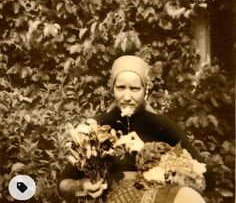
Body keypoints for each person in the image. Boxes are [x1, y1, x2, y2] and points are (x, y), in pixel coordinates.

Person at [58, 55, 214, 203]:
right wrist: (81, 185)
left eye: (134, 89)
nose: (127, 96)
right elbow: (63, 183)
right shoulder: (96, 126)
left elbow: (208, 178)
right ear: (112, 89)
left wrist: (148, 153)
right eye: (121, 88)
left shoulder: (162, 126)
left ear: (145, 90)